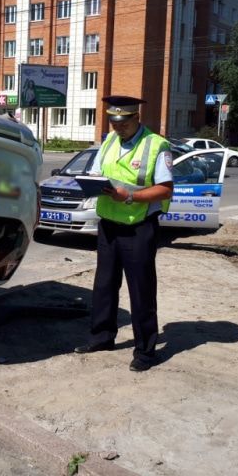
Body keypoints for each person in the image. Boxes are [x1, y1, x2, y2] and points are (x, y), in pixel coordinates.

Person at [74, 95, 174, 372]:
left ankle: (145, 351)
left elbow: (166, 189)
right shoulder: (108, 142)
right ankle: (102, 337)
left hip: (139, 226)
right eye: (113, 121)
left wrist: (128, 196)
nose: (118, 127)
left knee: (141, 290)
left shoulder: (156, 145)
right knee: (104, 285)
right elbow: (96, 174)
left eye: (124, 122)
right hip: (108, 224)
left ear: (136, 118)